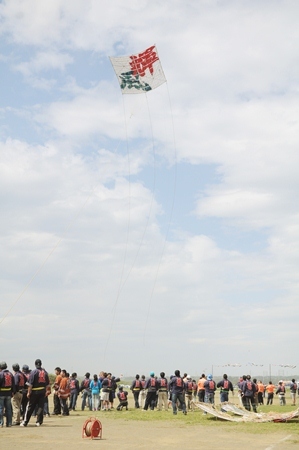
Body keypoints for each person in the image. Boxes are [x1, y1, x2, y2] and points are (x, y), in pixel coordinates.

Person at [21, 359, 51, 427]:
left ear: (35, 364)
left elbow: (30, 384)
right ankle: (39, 422)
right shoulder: (45, 372)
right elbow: (48, 384)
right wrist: (47, 391)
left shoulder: (34, 372)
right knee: (40, 406)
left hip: (34, 392)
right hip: (42, 391)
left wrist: (29, 392)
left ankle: (25, 422)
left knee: (30, 407)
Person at [0, 361, 15, 428]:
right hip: (9, 394)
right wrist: (13, 392)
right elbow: (13, 384)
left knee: (1, 408)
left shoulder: (1, 374)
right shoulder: (10, 374)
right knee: (8, 409)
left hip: (1, 394)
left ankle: (1, 423)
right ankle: (9, 423)